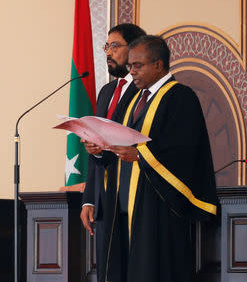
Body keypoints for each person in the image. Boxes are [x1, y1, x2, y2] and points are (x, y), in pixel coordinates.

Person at [104, 35, 217, 282]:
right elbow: (117, 136)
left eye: (138, 65)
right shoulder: (133, 98)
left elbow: (183, 149)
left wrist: (141, 154)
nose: (131, 71)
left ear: (158, 65)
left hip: (157, 208)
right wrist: (100, 146)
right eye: (130, 66)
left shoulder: (180, 97)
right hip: (122, 207)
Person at [79, 24, 146, 282]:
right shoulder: (107, 91)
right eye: (107, 46)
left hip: (130, 194)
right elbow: (97, 147)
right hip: (103, 199)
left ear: (134, 49)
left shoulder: (143, 90)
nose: (109, 52)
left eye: (115, 46)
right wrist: (88, 199)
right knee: (107, 272)